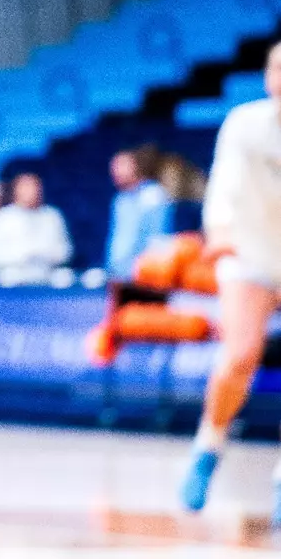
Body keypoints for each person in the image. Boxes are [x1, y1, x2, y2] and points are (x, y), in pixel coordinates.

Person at [179, 41, 281, 527]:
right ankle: (208, 445)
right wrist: (218, 231)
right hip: (249, 251)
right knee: (240, 355)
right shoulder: (245, 123)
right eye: (278, 67)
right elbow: (224, 186)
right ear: (267, 77)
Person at [0, 173, 72, 286]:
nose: (32, 192)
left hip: (46, 277)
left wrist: (43, 254)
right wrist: (21, 255)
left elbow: (66, 251)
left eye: (35, 187)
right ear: (16, 190)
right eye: (26, 187)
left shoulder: (52, 216)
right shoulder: (1, 218)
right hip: (10, 280)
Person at [105, 148, 171, 280]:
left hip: (145, 274)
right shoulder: (120, 200)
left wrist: (146, 268)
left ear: (136, 166)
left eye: (121, 165)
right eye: (113, 167)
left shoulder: (153, 195)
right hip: (118, 274)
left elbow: (157, 239)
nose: (115, 171)